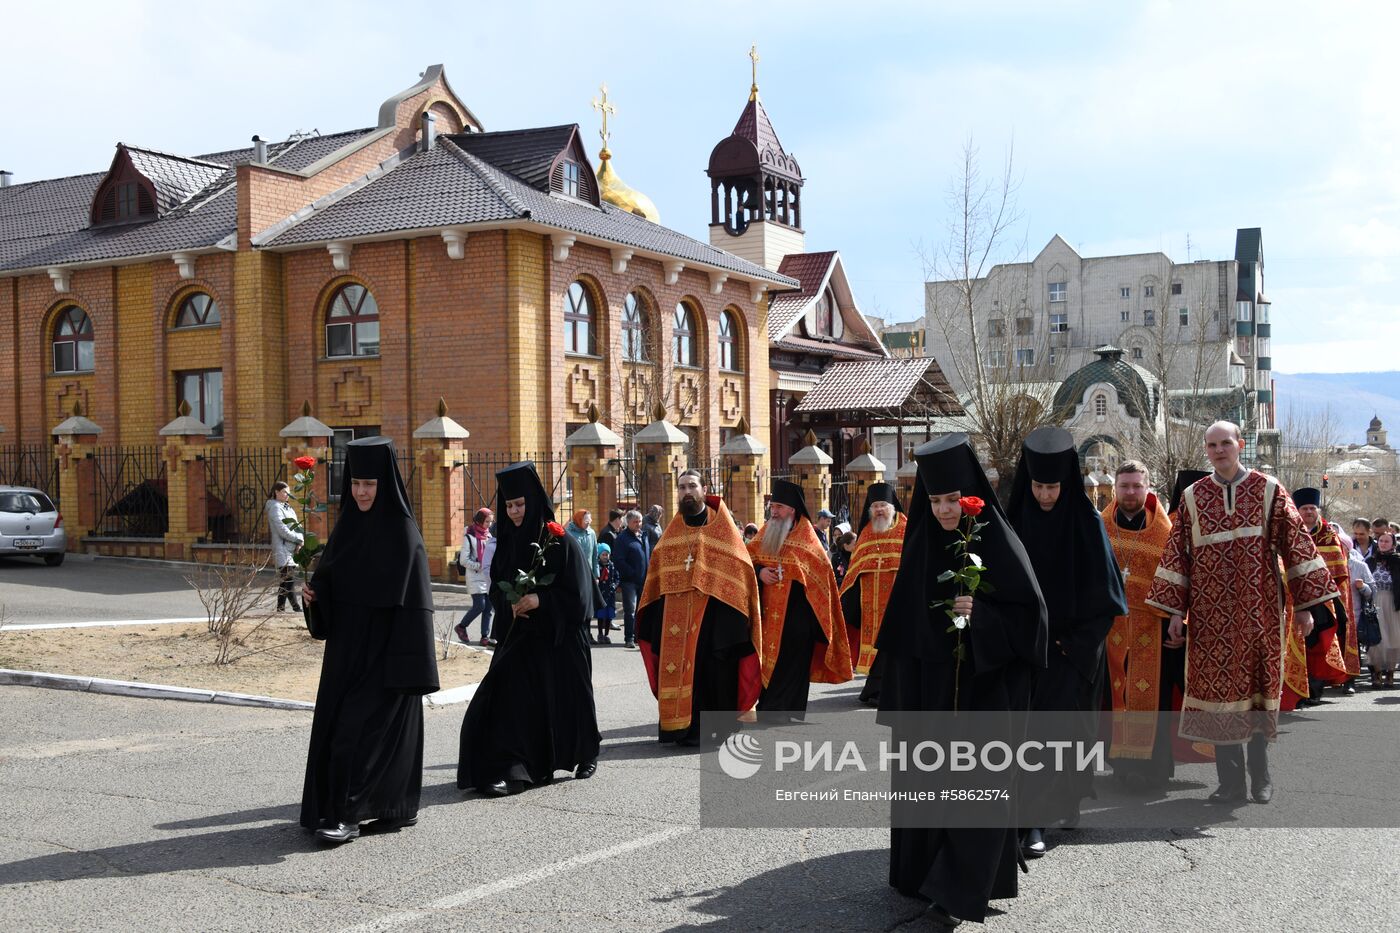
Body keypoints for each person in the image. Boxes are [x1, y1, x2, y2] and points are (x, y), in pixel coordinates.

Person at [876, 434, 1047, 928]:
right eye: (935, 501)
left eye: (952, 500)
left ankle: (956, 894)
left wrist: (984, 616)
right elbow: (905, 628)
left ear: (970, 497)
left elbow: (1033, 618)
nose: (945, 510)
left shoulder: (996, 538)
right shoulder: (923, 543)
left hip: (988, 690)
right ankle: (923, 874)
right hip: (930, 696)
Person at [1146, 421, 1339, 806]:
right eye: (1212, 445)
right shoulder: (1191, 497)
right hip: (1209, 620)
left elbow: (1297, 548)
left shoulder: (1268, 490)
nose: (1219, 450)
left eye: (1226, 443)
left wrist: (1305, 607)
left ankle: (1261, 776)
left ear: (1240, 444)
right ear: (1206, 449)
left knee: (1256, 696)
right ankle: (1229, 782)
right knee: (1220, 699)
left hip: (1260, 615)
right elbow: (1177, 558)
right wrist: (1173, 614)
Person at [299, 437, 440, 844]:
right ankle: (389, 808)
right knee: (341, 729)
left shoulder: (403, 534)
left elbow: (417, 607)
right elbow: (331, 588)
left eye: (370, 484)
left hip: (387, 656)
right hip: (346, 655)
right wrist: (315, 598)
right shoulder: (347, 529)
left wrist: (407, 666)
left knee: (356, 733)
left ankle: (347, 814)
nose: (362, 492)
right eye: (356, 483)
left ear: (385, 484)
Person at [1007, 427, 1126, 857]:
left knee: (1063, 734)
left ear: (1067, 483)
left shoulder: (1087, 523)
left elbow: (1108, 602)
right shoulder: (1014, 520)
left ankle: (1059, 806)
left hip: (1070, 652)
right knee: (1025, 736)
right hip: (1023, 649)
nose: (1044, 495)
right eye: (1038, 486)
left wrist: (1071, 647)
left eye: (1052, 487)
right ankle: (1030, 818)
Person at [457, 462, 600, 796]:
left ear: (532, 501)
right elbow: (496, 585)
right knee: (508, 700)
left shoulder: (559, 540)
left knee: (571, 699)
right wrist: (508, 602)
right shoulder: (505, 542)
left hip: (561, 636)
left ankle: (587, 752)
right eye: (508, 506)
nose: (514, 512)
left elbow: (579, 593)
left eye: (519, 504)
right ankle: (511, 767)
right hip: (520, 635)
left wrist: (541, 600)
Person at [637, 470, 762, 746]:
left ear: (704, 490)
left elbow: (740, 571)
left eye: (692, 486)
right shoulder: (670, 535)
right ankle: (681, 730)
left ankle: (717, 730)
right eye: (682, 487)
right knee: (682, 672)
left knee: (714, 672)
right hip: (675, 620)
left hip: (715, 619)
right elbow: (656, 576)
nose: (687, 492)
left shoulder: (722, 530)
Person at [1101, 461, 1191, 792]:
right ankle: (1121, 766)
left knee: (1153, 698)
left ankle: (1154, 768)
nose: (1130, 492)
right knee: (1115, 698)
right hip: (1111, 628)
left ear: (1148, 487)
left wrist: (1176, 619)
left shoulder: (1164, 531)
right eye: (1124, 486)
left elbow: (1179, 578)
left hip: (1152, 626)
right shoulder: (1102, 526)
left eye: (1137, 486)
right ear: (1115, 488)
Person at [748, 481, 852, 719]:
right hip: (766, 615)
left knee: (792, 665)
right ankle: (766, 707)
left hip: (798, 619)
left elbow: (822, 579)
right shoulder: (766, 532)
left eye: (779, 506)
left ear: (793, 509)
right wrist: (760, 572)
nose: (773, 511)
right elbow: (747, 561)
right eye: (772, 506)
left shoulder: (808, 539)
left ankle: (786, 711)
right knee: (765, 662)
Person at [838, 483, 906, 707]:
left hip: (897, 602)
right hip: (870, 604)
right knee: (875, 644)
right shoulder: (867, 532)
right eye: (875, 506)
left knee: (893, 645)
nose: (879, 510)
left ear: (892, 507)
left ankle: (890, 690)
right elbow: (855, 568)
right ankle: (875, 689)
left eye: (883, 505)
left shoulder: (905, 528)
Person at [1293, 488, 1358, 698]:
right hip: (1296, 595)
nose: (1309, 512)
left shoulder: (1329, 534)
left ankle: (1316, 688)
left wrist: (1323, 589)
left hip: (1326, 598)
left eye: (1312, 508)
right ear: (1298, 510)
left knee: (1321, 641)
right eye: (1305, 508)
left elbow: (1338, 568)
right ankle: (1300, 688)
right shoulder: (1292, 532)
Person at [456, 508, 497, 647]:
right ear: (479, 521)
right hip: (475, 577)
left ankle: (484, 636)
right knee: (480, 605)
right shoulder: (469, 537)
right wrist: (479, 565)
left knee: (488, 608)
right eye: (487, 521)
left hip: (488, 577)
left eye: (491, 522)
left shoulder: (490, 536)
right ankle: (461, 626)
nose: (489, 525)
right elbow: (463, 560)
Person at [1366, 531, 1400, 688]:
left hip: (1393, 603)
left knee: (1393, 639)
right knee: (1376, 639)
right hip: (1374, 602)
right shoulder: (1371, 561)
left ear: (1393, 544)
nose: (1383, 543)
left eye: (1387, 541)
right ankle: (1376, 673)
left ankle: (1390, 674)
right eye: (1381, 540)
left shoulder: (1397, 561)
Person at [612, 510, 650, 650]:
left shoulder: (643, 535)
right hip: (629, 581)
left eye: (640, 521)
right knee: (630, 610)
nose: (638, 524)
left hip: (643, 579)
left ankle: (638, 636)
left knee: (641, 610)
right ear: (628, 522)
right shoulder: (622, 538)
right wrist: (632, 573)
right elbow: (618, 560)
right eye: (635, 521)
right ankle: (629, 638)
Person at [265, 481, 303, 612]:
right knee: (288, 580)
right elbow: (282, 530)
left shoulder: (288, 507)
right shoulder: (275, 508)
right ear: (276, 492)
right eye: (285, 492)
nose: (288, 495)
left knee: (285, 580)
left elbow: (298, 526)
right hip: (282, 549)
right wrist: (298, 539)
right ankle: (296, 608)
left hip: (292, 548)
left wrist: (300, 541)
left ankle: (280, 609)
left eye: (289, 493)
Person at [566, 509, 599, 582]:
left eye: (590, 520)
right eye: (586, 521)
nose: (588, 523)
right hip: (574, 574)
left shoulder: (591, 533)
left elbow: (595, 555)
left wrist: (596, 575)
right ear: (579, 520)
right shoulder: (569, 534)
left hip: (589, 573)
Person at [595, 543, 618, 644]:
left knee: (609, 615)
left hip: (610, 594)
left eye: (607, 554)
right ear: (599, 555)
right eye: (603, 554)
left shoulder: (612, 566)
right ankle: (600, 633)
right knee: (601, 615)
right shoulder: (597, 566)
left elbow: (617, 578)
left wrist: (614, 585)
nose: (605, 557)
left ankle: (606, 635)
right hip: (601, 594)